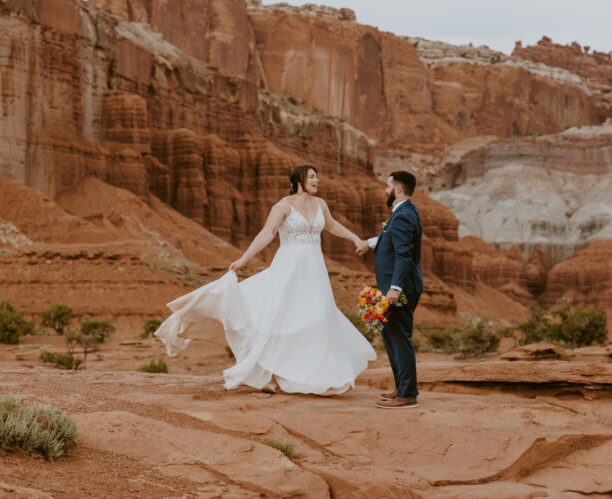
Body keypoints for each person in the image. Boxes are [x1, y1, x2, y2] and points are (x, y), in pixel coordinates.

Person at [154, 164, 376, 395]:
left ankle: (319, 375)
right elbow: (267, 233)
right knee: (280, 319)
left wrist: (355, 238)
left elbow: (331, 225)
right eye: (312, 176)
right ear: (300, 180)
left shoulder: (321, 204)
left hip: (315, 271)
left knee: (316, 317)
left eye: (317, 176)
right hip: (289, 269)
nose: (317, 180)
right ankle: (269, 374)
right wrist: (243, 259)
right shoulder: (282, 206)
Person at [361, 170, 423, 409]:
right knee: (390, 337)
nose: (385, 190)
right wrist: (367, 243)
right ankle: (401, 388)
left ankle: (408, 394)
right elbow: (390, 240)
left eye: (388, 186)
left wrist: (395, 288)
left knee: (400, 339)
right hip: (395, 287)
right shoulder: (403, 213)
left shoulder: (404, 216)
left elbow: (404, 255)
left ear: (398, 189)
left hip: (401, 288)